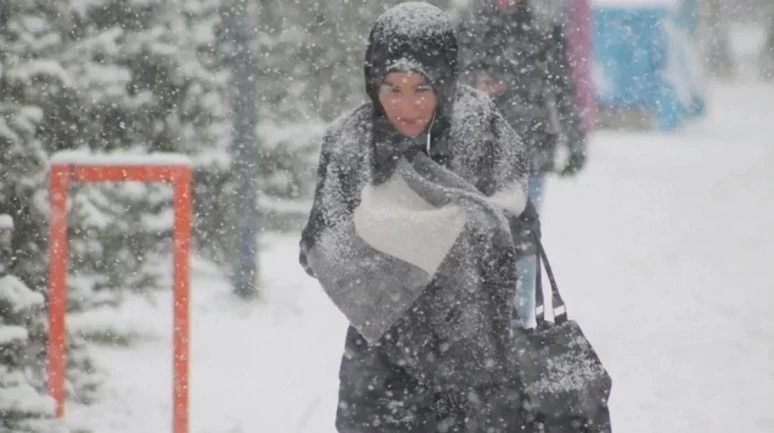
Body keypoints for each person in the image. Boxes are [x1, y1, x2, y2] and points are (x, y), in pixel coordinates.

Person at [299, 3, 541, 432]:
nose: (405, 105)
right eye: (391, 88)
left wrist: (427, 235)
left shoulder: (481, 128)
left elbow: (517, 227)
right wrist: (395, 262)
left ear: (445, 81)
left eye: (421, 89)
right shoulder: (351, 143)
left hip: (475, 363)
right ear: (373, 81)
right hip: (380, 362)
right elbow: (319, 247)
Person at [456, 0, 588, 328]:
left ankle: (517, 327)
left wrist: (574, 142)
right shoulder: (466, 24)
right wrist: (476, 82)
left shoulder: (543, 27)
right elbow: (445, 84)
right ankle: (483, 328)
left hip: (529, 153)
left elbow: (561, 87)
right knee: (476, 241)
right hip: (475, 153)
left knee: (522, 240)